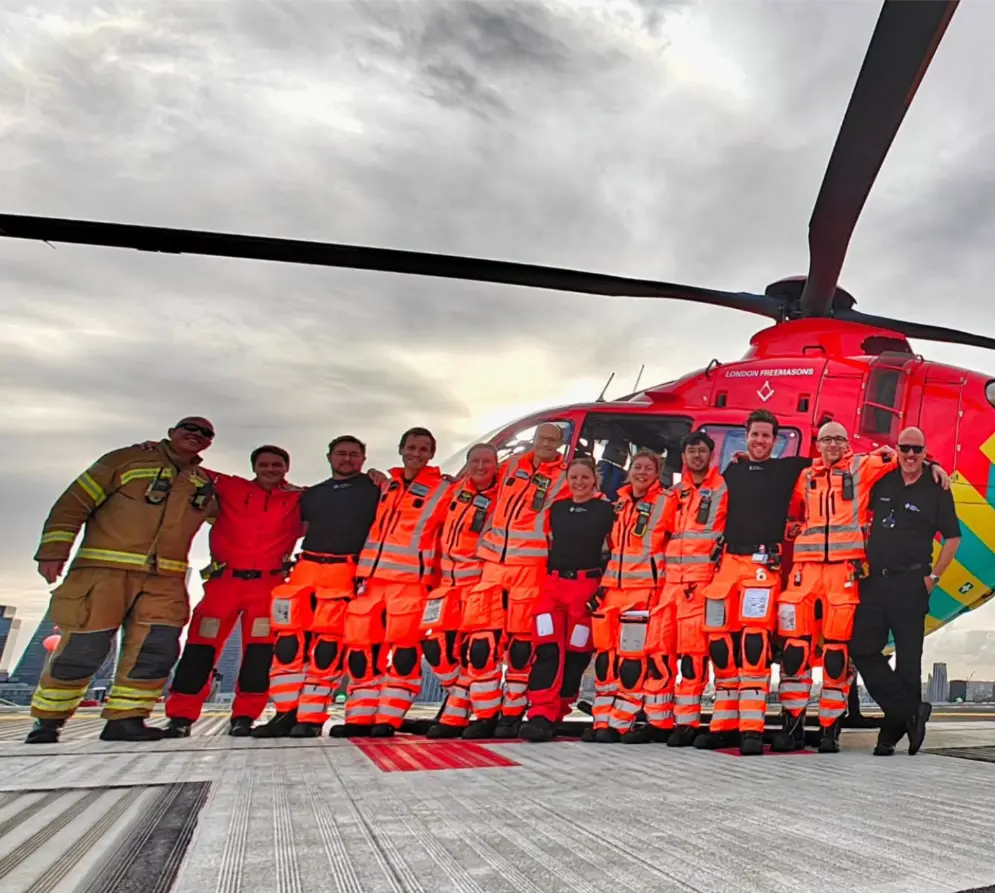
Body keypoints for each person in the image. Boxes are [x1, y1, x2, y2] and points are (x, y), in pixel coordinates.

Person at [26, 417, 218, 744]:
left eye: (205, 433)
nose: (196, 434)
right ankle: (48, 721)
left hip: (164, 580)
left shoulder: (203, 481)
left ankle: (127, 719)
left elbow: (244, 513)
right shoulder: (125, 460)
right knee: (84, 646)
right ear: (171, 432)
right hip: (103, 571)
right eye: (189, 428)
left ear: (209, 443)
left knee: (155, 650)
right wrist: (53, 550)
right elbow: (74, 502)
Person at [773, 421, 947, 753]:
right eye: (827, 440)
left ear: (846, 443)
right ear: (818, 444)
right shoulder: (805, 476)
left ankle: (830, 729)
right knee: (795, 651)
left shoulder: (862, 466)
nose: (832, 445)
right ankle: (792, 725)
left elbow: (905, 456)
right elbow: (790, 508)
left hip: (843, 572)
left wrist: (933, 464)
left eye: (838, 439)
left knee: (837, 653)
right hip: (805, 573)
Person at [163, 445, 303, 738]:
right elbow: (189, 466)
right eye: (264, 464)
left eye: (277, 465)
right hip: (224, 584)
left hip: (268, 586)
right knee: (200, 649)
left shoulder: (298, 497)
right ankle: (181, 716)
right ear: (254, 467)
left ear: (287, 468)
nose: (270, 469)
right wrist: (156, 448)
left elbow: (335, 496)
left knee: (260, 655)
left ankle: (245, 716)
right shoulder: (231, 486)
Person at [696, 409, 812, 754]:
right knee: (720, 644)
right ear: (746, 437)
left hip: (762, 567)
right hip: (729, 563)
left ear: (776, 441)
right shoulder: (732, 471)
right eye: (755, 435)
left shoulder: (788, 469)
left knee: (754, 645)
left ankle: (751, 728)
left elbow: (839, 459)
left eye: (766, 435)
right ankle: (723, 725)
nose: (760, 440)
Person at [253, 435, 380, 738]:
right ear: (329, 457)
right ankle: (285, 713)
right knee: (288, 646)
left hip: (344, 571)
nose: (347, 459)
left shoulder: (375, 490)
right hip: (305, 570)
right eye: (341, 454)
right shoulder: (312, 495)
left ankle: (310, 718)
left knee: (327, 648)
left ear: (363, 460)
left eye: (353, 454)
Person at [851, 426, 961, 756]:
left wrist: (934, 577)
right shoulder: (883, 480)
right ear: (897, 449)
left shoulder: (937, 488)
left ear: (924, 452)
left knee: (909, 661)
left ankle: (890, 735)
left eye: (917, 450)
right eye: (905, 449)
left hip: (912, 583)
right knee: (862, 649)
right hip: (876, 581)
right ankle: (910, 710)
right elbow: (858, 464)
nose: (910, 455)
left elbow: (952, 537)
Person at [336, 427, 450, 738]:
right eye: (411, 447)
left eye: (423, 449)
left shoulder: (443, 489)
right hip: (370, 583)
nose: (416, 454)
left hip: (411, 584)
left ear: (431, 454)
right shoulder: (387, 485)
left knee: (404, 653)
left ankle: (389, 718)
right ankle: (359, 717)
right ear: (401, 449)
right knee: (362, 652)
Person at [461, 422, 570, 739]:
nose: (546, 444)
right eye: (542, 438)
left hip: (531, 569)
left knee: (522, 648)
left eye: (552, 440)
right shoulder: (510, 466)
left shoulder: (564, 477)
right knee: (482, 645)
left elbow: (583, 498)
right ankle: (484, 714)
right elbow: (476, 481)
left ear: (560, 444)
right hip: (494, 566)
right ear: (533, 439)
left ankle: (511, 714)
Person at [519, 456, 615, 742]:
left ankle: (558, 710)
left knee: (577, 652)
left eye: (585, 477)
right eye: (574, 477)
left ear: (595, 479)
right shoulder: (557, 509)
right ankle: (540, 712)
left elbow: (616, 549)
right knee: (547, 648)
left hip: (585, 588)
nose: (579, 482)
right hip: (553, 586)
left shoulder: (606, 510)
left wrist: (603, 588)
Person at [644, 430, 727, 747]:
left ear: (711, 455)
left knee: (693, 657)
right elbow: (656, 536)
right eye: (692, 451)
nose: (697, 456)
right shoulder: (672, 495)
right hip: (669, 587)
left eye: (702, 450)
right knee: (659, 652)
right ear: (684, 457)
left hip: (700, 585)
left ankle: (687, 722)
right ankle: (657, 720)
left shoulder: (723, 489)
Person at [586, 450, 670, 743]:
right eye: (637, 467)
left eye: (648, 468)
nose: (642, 472)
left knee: (632, 661)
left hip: (644, 592)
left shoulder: (666, 502)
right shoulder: (619, 503)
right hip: (612, 590)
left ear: (657, 474)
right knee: (605, 659)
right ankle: (601, 719)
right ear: (629, 471)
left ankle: (620, 721)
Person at [421, 443, 500, 738]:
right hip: (447, 587)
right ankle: (460, 700)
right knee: (436, 649)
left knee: (479, 652)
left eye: (487, 462)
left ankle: (484, 714)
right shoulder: (452, 492)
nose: (481, 467)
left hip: (480, 585)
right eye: (475, 461)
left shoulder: (503, 495)